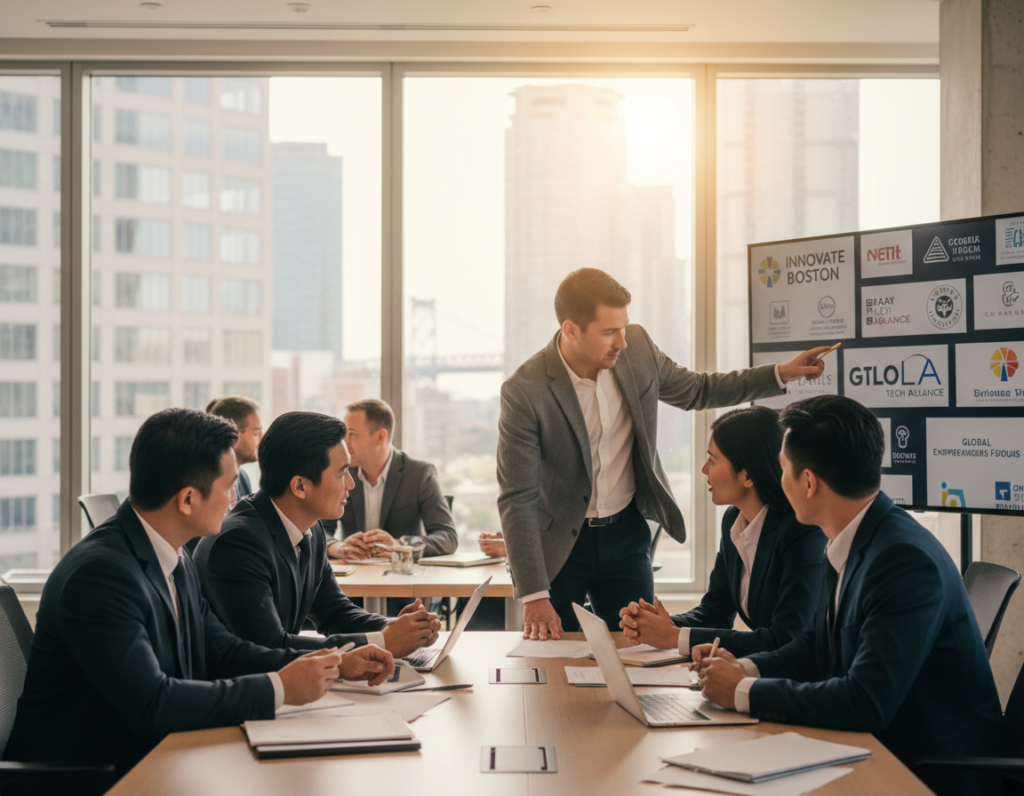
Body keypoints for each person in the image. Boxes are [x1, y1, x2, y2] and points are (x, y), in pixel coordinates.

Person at [4, 409, 393, 793]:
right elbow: (153, 703)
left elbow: (221, 649)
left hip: (159, 756)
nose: (236, 498)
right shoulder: (101, 575)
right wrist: (279, 688)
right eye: (228, 486)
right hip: (97, 777)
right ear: (188, 499)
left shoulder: (174, 555)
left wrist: (333, 665)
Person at [694, 395, 1007, 796]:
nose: (779, 480)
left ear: (808, 483)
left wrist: (742, 692)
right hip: (876, 748)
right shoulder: (854, 537)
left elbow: (866, 699)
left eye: (783, 469)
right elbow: (816, 645)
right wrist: (745, 668)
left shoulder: (903, 559)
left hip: (928, 772)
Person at [497, 267, 830, 637]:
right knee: (553, 653)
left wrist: (780, 373)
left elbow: (698, 390)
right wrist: (533, 595)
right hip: (559, 546)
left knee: (640, 645)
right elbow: (518, 497)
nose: (621, 342)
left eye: (624, 326)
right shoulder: (525, 391)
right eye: (609, 332)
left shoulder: (636, 348)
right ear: (570, 329)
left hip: (625, 534)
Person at [194, 411, 441, 659]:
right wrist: (383, 642)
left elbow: (334, 611)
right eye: (341, 473)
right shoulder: (238, 543)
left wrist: (392, 628)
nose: (351, 484)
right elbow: (269, 646)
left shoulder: (311, 527)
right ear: (300, 486)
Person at [618, 405, 826, 658]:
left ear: (748, 476)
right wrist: (661, 625)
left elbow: (786, 638)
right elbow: (715, 611)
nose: (704, 469)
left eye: (712, 460)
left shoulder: (802, 531)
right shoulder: (733, 520)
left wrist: (674, 637)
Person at [325, 398, 457, 562]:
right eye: (344, 435)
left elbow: (448, 537)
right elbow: (319, 530)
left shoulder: (419, 474)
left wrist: (401, 545)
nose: (344, 442)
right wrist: (337, 547)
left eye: (352, 434)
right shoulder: (341, 472)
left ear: (380, 437)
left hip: (402, 577)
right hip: (354, 575)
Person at [206, 395, 262, 500]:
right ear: (234, 433)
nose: (262, 437)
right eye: (256, 433)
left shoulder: (243, 477)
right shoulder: (209, 482)